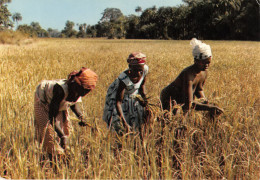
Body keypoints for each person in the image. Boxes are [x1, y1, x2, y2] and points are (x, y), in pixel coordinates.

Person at [34, 67, 98, 159]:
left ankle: (62, 154)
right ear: (78, 85)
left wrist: (81, 117)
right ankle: (50, 157)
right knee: (48, 131)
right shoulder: (60, 90)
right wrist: (62, 136)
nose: (86, 93)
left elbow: (74, 104)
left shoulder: (78, 90)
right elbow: (52, 117)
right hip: (43, 101)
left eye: (88, 90)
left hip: (57, 103)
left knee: (65, 128)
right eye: (85, 90)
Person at [160, 38, 223, 117]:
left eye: (208, 62)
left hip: (184, 99)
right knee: (172, 119)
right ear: (195, 60)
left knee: (185, 114)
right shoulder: (188, 75)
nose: (206, 65)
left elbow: (199, 89)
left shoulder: (204, 72)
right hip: (170, 98)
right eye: (203, 62)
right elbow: (189, 103)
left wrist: (205, 102)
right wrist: (209, 107)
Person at [103, 52, 149, 134]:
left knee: (139, 125)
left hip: (134, 97)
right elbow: (118, 102)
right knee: (121, 130)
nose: (139, 73)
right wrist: (124, 122)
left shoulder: (144, 69)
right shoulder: (124, 78)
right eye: (135, 70)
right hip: (121, 101)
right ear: (130, 67)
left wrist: (144, 100)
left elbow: (142, 86)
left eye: (140, 70)